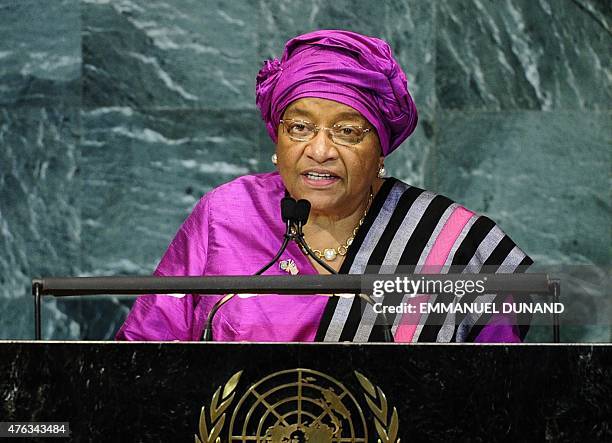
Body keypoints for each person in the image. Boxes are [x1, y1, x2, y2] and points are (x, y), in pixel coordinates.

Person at [116, 30, 532, 343]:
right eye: (299, 127)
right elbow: (141, 357)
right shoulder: (226, 214)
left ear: (380, 151)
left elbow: (493, 396)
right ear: (277, 140)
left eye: (347, 131)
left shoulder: (450, 243)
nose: (319, 150)